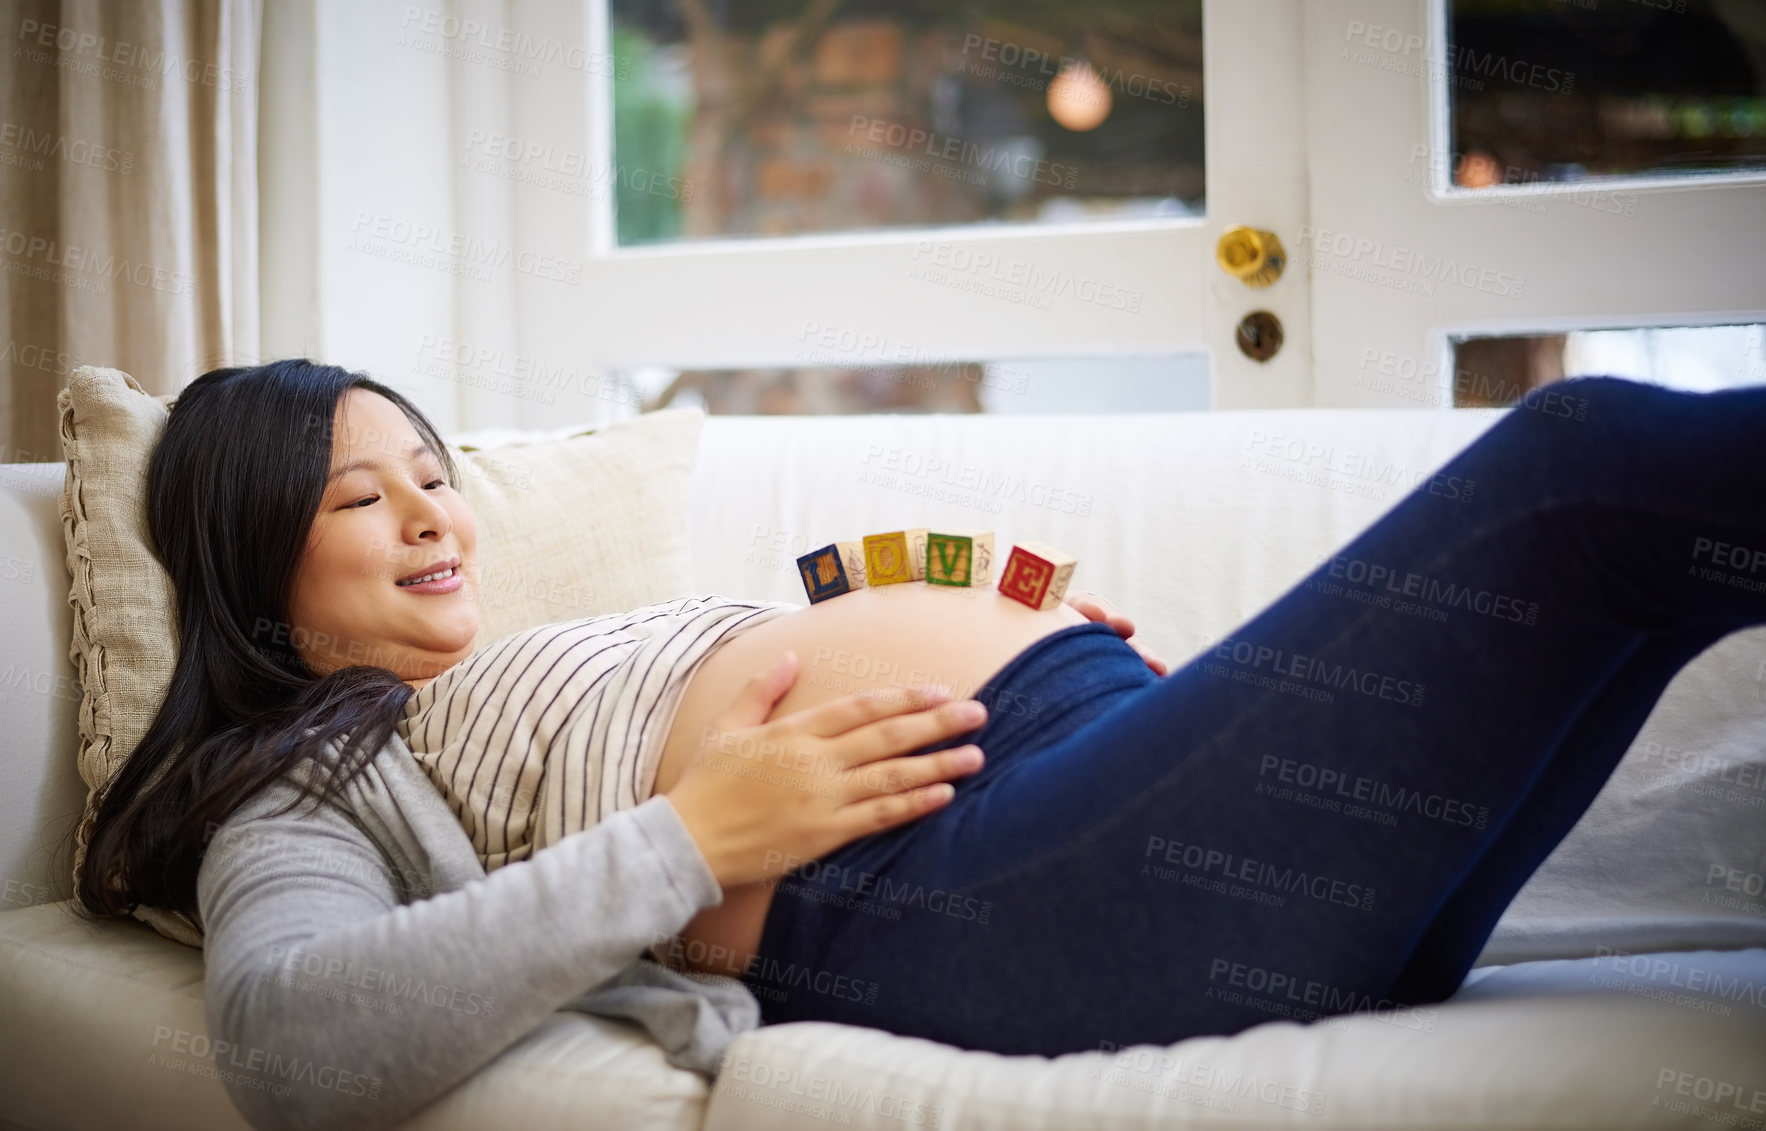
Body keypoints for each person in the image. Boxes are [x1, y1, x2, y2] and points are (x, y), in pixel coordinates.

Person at [70, 360, 1766, 1131]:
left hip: (1063, 772)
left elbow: (856, 603)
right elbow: (290, 1052)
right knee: (1578, 474)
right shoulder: (303, 777)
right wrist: (703, 831)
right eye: (361, 496)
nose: (432, 513)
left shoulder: (515, 662)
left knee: (1639, 569)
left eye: (434, 471)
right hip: (946, 881)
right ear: (257, 580)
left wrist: (1080, 663)